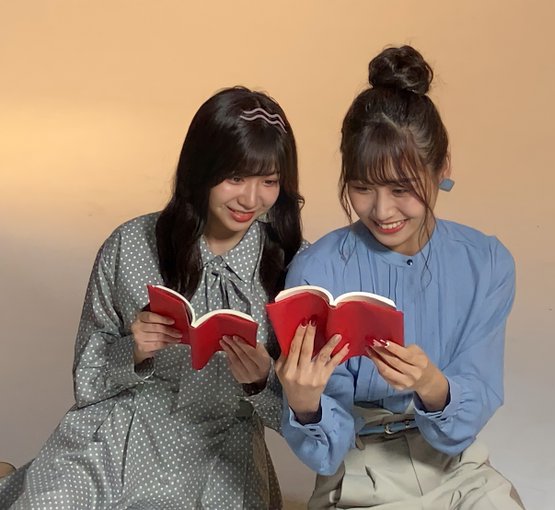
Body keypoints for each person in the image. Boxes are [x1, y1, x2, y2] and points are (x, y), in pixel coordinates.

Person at [0, 86, 303, 509]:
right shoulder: (130, 244)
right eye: (235, 177)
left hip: (222, 449)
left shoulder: (293, 266)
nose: (251, 199)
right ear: (201, 169)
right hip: (120, 432)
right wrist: (135, 350)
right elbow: (86, 378)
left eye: (268, 181)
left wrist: (261, 380)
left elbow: (305, 420)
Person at [276, 46, 524, 509]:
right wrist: (305, 404)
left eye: (401, 188)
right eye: (362, 188)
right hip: (359, 469)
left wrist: (431, 384)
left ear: (442, 168)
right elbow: (326, 452)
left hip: (456, 467)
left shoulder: (486, 263)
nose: (382, 210)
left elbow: (473, 401)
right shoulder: (317, 272)